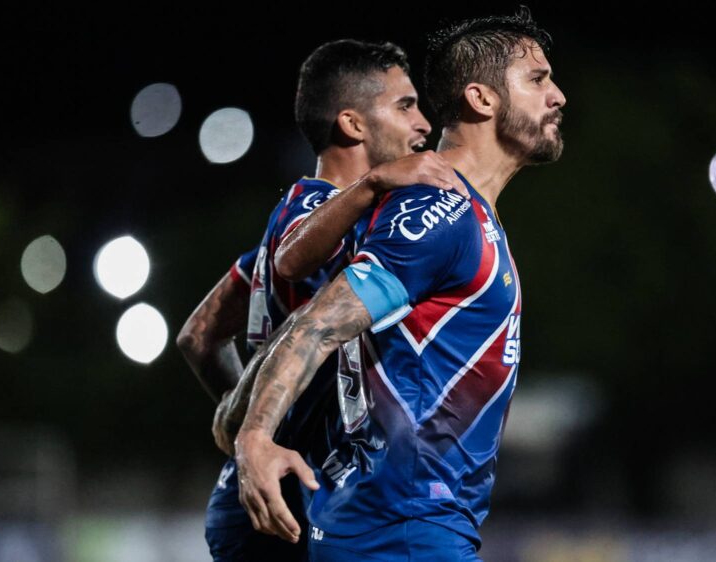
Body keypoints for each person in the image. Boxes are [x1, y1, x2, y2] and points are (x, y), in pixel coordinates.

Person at [233, 7, 566, 560]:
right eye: (537, 79)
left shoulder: (465, 210)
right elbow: (317, 326)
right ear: (481, 99)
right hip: (404, 529)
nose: (557, 96)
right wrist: (254, 437)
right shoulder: (441, 209)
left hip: (408, 527)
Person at [176, 39, 463, 561]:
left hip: (276, 497)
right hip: (284, 498)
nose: (424, 123)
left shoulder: (278, 242)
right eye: (405, 105)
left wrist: (238, 407)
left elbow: (198, 335)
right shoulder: (311, 205)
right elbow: (291, 259)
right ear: (352, 125)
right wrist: (372, 185)